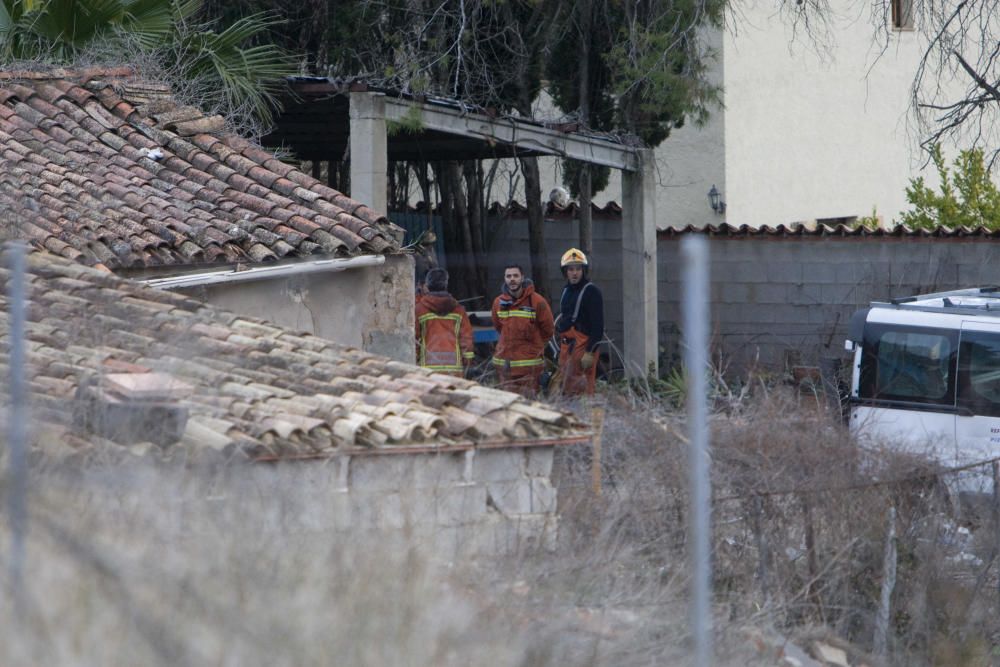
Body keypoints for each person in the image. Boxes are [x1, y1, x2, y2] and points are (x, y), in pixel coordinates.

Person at [491, 264, 554, 397]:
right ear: (505, 279)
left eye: (515, 276)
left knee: (529, 405)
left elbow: (548, 330)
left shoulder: (537, 302)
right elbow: (498, 327)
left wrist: (533, 347)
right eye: (508, 276)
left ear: (522, 278)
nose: (512, 279)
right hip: (505, 366)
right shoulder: (498, 303)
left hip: (529, 368)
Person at [556, 248, 604, 396]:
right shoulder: (566, 291)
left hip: (583, 348)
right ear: (566, 272)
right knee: (566, 389)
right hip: (566, 347)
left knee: (584, 389)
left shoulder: (592, 291)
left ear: (584, 270)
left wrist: (590, 352)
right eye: (571, 269)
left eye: (578, 269)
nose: (574, 273)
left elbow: (598, 326)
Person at [415, 268, 474, 377]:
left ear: (427, 285)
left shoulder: (419, 310)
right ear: (446, 284)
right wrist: (467, 362)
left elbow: (415, 341)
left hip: (427, 370)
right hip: (454, 369)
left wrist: (415, 361)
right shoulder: (459, 310)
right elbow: (466, 339)